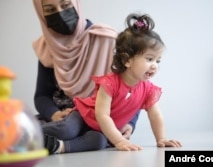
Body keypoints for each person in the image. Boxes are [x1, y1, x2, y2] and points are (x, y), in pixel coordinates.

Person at [42, 12, 182, 154]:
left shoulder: (148, 89)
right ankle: (26, 132)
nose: (155, 66)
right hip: (84, 117)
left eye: (158, 61)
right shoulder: (110, 83)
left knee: (100, 141)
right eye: (149, 59)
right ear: (127, 60)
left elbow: (155, 115)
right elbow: (102, 115)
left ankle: (57, 147)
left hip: (101, 129)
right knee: (67, 130)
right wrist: (119, 140)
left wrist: (161, 139)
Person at [32, 0, 139, 153]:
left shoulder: (107, 39)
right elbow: (42, 96)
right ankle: (20, 135)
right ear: (42, 15)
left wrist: (130, 124)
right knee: (67, 129)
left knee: (100, 140)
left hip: (102, 117)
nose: (60, 13)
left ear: (76, 4)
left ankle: (48, 143)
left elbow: (133, 87)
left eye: (65, 5)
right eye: (50, 9)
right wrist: (54, 114)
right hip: (65, 118)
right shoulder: (47, 47)